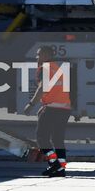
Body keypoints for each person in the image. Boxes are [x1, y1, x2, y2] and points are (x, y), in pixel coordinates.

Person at [22, 44, 71, 177]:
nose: (37, 57)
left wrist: (31, 104)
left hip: (53, 108)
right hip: (64, 108)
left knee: (41, 138)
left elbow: (43, 88)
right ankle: (61, 168)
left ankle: (54, 162)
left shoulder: (45, 68)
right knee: (58, 140)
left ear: (46, 55)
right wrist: (44, 106)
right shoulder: (57, 68)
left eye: (39, 54)